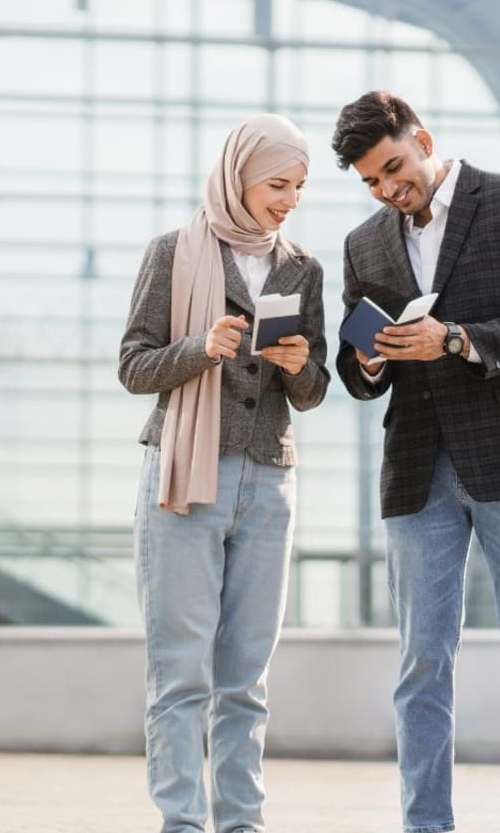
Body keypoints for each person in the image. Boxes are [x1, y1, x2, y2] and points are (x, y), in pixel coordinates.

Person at [330, 91, 500, 833]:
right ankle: (425, 825)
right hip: (417, 469)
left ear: (423, 139)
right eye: (371, 180)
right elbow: (355, 372)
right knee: (421, 667)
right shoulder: (363, 243)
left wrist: (456, 339)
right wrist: (370, 360)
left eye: (394, 168)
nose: (386, 189)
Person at [118, 113, 329, 833]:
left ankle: (243, 825)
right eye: (277, 184)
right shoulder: (174, 253)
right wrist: (201, 348)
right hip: (184, 479)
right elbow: (133, 366)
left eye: (299, 186)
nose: (289, 198)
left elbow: (315, 387)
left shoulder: (303, 267)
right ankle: (182, 823)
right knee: (180, 676)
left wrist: (301, 370)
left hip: (268, 482)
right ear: (239, 176)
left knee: (246, 684)